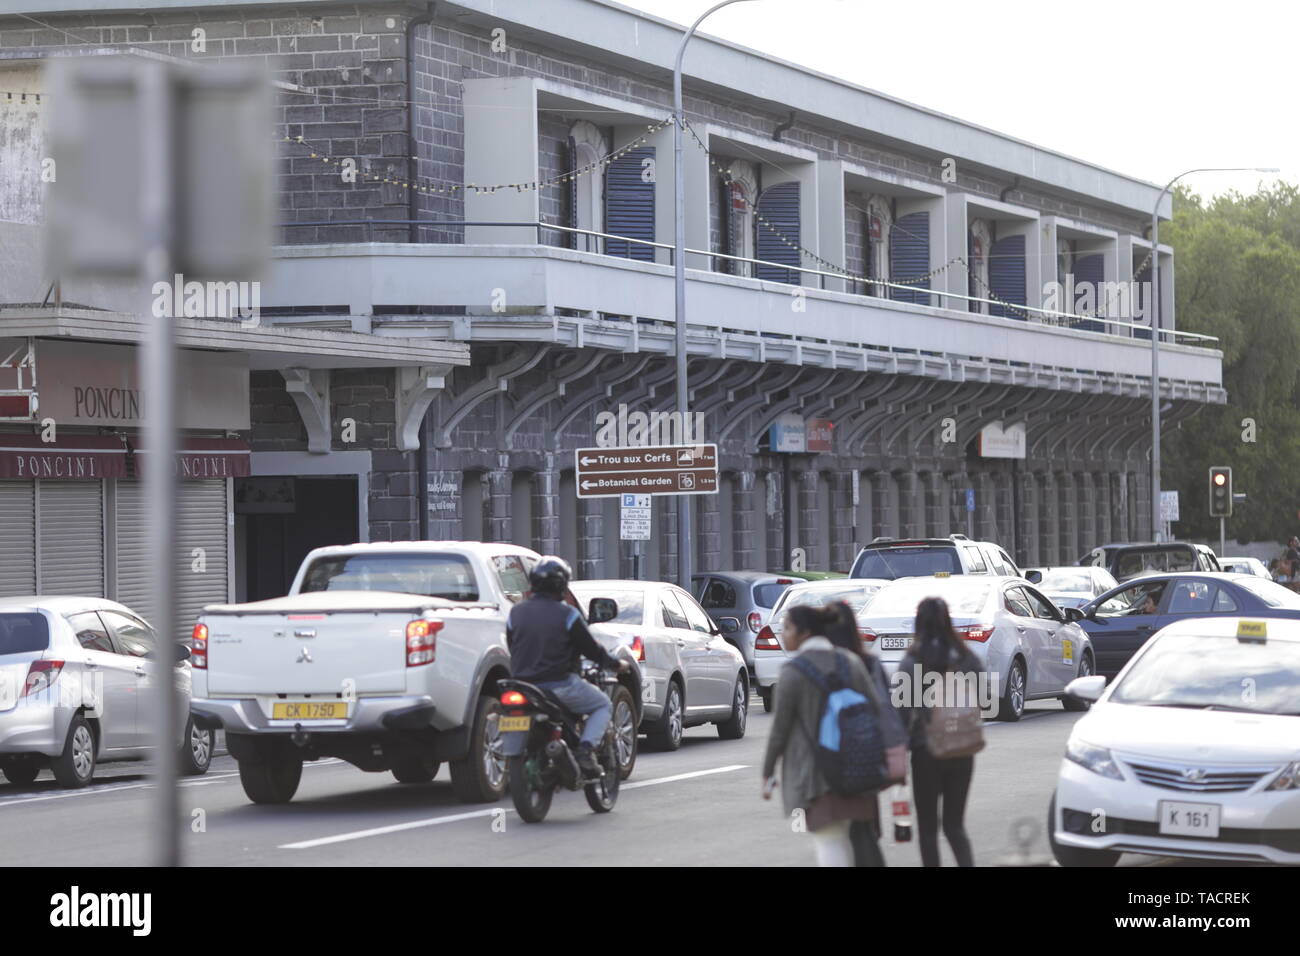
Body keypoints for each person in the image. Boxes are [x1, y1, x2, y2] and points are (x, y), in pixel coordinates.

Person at [761, 605, 895, 867]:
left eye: (787, 628)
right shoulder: (850, 661)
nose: (783, 635)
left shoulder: (793, 672)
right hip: (858, 768)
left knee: (829, 841)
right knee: (846, 841)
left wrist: (768, 772)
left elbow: (780, 730)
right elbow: (875, 710)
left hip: (817, 777)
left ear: (804, 632)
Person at [505, 556, 628, 777]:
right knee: (602, 705)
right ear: (562, 585)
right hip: (559, 684)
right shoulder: (568, 615)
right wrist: (616, 664)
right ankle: (585, 750)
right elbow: (592, 650)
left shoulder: (515, 613)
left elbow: (512, 644)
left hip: (522, 686)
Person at [896, 596, 980, 867]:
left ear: (918, 623)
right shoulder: (967, 657)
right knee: (955, 826)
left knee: (928, 830)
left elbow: (901, 713)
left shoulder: (911, 661)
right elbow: (984, 697)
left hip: (926, 752)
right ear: (948, 621)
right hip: (962, 748)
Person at [821, 601, 905, 866]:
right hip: (865, 755)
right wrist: (895, 757)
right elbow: (885, 711)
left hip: (830, 758)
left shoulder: (819, 666)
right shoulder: (868, 662)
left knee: (835, 835)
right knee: (864, 829)